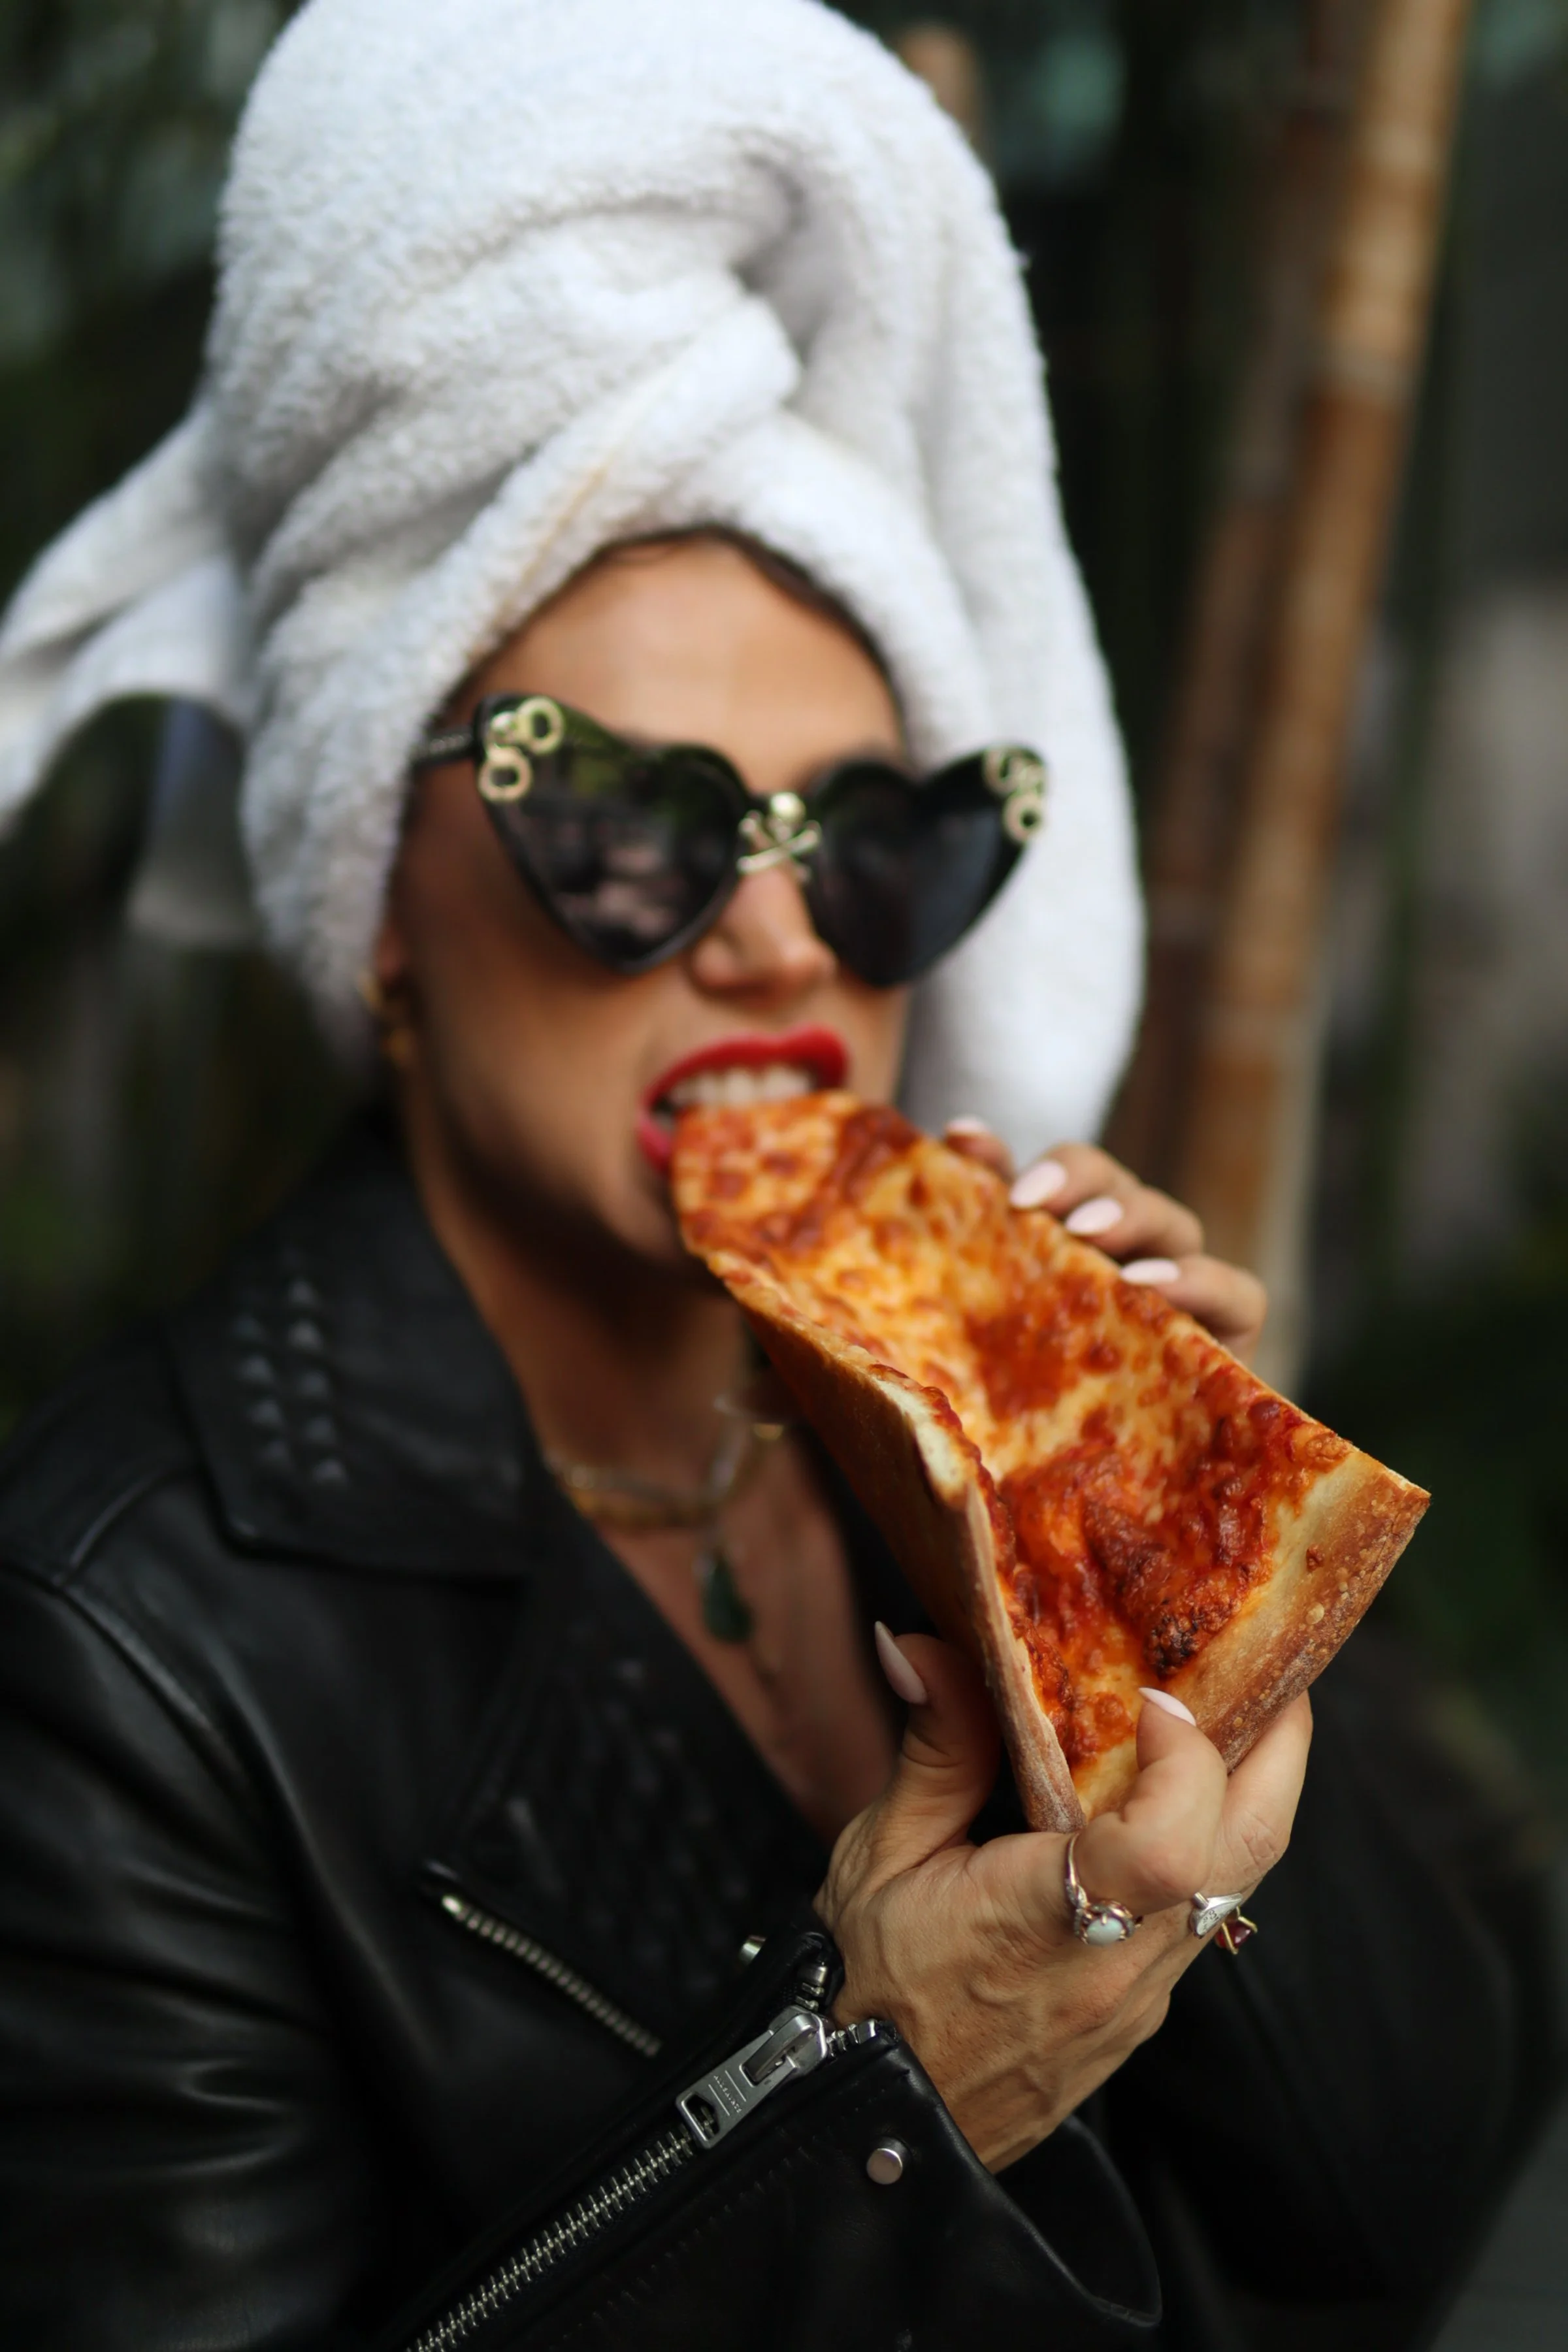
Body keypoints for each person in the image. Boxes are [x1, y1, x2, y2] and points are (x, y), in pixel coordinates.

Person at [0, 3, 1532, 2345]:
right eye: (627, 823)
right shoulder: (110, 1645)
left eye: (876, 843)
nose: (785, 936)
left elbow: (1423, 2204)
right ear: (377, 912)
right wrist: (868, 2089)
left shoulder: (984, 1410)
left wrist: (1150, 1600)